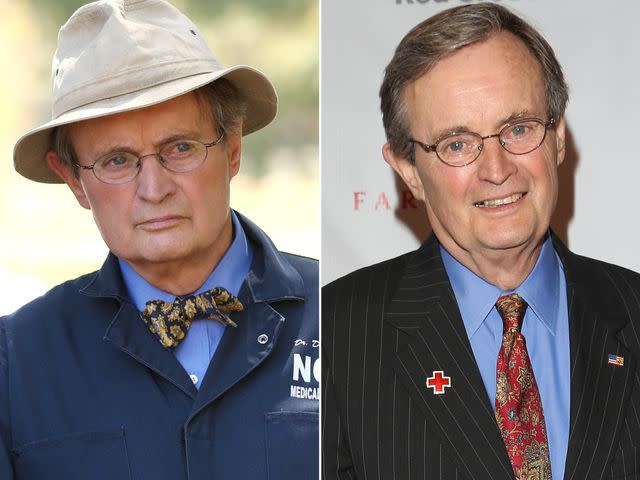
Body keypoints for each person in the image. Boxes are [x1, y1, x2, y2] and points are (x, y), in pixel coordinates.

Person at [0, 1, 318, 478]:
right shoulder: (16, 362)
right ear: (73, 181)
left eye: (181, 148)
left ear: (232, 148)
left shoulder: (352, 317)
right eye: (116, 161)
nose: (154, 189)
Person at [322, 3, 640, 479]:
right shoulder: (334, 336)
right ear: (408, 169)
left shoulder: (633, 313)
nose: (497, 169)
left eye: (518, 129)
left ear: (557, 137)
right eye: (457, 144)